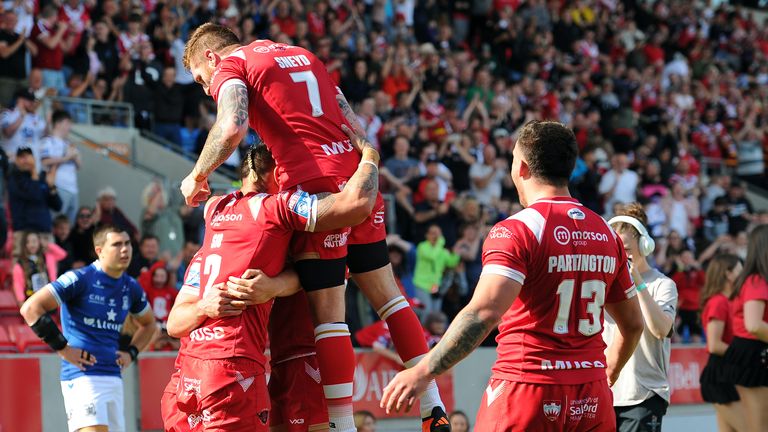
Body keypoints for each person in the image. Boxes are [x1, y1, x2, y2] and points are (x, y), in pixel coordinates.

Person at [180, 24, 449, 431]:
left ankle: (342, 423)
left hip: (313, 189)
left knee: (330, 315)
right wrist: (366, 155)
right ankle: (433, 406)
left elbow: (232, 126)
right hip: (358, 174)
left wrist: (198, 174)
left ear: (211, 58)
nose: (205, 88)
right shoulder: (300, 52)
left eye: (201, 78)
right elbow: (344, 109)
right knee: (391, 297)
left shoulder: (231, 65)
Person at [381, 121, 644, 431]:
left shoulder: (517, 229)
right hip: (592, 395)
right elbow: (633, 324)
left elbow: (482, 314)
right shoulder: (606, 232)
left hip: (528, 389)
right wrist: (605, 375)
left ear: (521, 167)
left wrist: (422, 372)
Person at [165, 139, 380, 432]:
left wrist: (275, 286)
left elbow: (174, 326)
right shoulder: (275, 208)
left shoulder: (215, 211)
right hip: (236, 364)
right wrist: (370, 157)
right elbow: (353, 206)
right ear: (275, 173)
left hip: (197, 369)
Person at [19, 224, 158, 432]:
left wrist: (131, 353)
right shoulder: (80, 278)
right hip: (82, 377)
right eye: (117, 244)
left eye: (128, 243)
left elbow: (149, 325)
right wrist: (63, 349)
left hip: (113, 377)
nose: (125, 249)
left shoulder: (131, 287)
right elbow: (31, 308)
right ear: (99, 250)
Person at [605, 203, 678, 432]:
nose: (620, 256)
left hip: (643, 395)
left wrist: (637, 282)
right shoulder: (602, 284)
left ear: (645, 246)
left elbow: (661, 329)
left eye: (625, 250)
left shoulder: (662, 284)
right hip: (604, 394)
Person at [724, 224, 768, 432]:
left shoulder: (756, 280)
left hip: (753, 353)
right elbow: (754, 324)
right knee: (759, 426)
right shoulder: (756, 281)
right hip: (751, 355)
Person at [699, 254, 746, 432]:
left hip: (730, 372)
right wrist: (746, 354)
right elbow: (714, 345)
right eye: (739, 269)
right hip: (720, 375)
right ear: (728, 274)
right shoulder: (718, 302)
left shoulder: (732, 301)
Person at [40, 110, 81, 224]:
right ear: (58, 123)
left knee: (70, 225)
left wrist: (75, 156)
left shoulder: (69, 143)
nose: (70, 126)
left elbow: (79, 166)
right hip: (59, 186)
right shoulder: (48, 141)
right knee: (56, 223)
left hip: (73, 188)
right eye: (67, 123)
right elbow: (45, 161)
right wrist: (66, 158)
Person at [13, 230, 67, 305]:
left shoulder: (48, 257)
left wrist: (48, 244)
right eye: (28, 242)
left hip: (49, 297)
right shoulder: (20, 264)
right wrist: (21, 301)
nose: (32, 245)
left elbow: (63, 255)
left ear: (39, 242)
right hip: (31, 300)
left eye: (34, 241)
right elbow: (18, 285)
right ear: (24, 245)